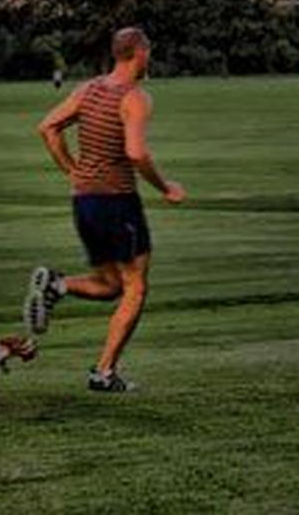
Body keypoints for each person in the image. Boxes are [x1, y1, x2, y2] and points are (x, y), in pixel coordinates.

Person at [26, 27, 187, 393]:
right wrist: (166, 187)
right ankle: (103, 373)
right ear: (138, 53)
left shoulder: (90, 89)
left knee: (111, 284)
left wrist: (72, 170)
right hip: (117, 202)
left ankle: (57, 284)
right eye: (149, 51)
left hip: (84, 201)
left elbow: (48, 127)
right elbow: (135, 153)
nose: (150, 57)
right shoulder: (134, 97)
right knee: (136, 287)